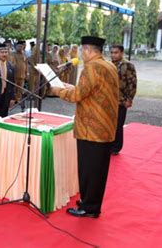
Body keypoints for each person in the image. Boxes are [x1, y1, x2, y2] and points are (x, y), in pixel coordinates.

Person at [50, 36, 119, 218]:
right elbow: (91, 91)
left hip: (91, 129)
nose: (81, 53)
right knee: (98, 170)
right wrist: (69, 86)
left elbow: (78, 95)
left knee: (89, 170)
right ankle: (91, 203)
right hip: (104, 128)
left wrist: (59, 91)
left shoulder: (92, 67)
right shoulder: (108, 65)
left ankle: (89, 208)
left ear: (88, 50)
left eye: (82, 50)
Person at [110, 44, 137, 155]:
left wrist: (129, 99)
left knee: (118, 124)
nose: (113, 55)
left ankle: (116, 147)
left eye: (116, 52)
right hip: (109, 100)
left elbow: (132, 83)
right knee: (109, 124)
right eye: (111, 52)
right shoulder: (109, 64)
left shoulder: (128, 65)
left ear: (121, 53)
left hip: (121, 100)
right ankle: (108, 145)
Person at [12, 41, 28, 109]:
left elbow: (26, 64)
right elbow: (13, 63)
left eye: (21, 46)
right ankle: (13, 99)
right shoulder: (13, 54)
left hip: (22, 74)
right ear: (16, 47)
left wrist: (27, 72)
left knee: (20, 88)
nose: (20, 48)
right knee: (14, 88)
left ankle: (18, 99)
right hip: (15, 74)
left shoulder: (24, 54)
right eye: (19, 46)